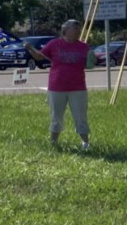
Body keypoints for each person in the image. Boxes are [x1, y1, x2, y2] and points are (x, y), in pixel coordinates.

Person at [24, 19, 92, 150]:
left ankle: (85, 143)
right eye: (74, 27)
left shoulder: (84, 47)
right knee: (56, 116)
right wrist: (30, 48)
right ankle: (54, 142)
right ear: (65, 30)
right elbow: (39, 56)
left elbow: (89, 63)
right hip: (56, 87)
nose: (77, 31)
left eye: (79, 28)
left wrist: (92, 61)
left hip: (78, 87)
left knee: (80, 116)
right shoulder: (54, 44)